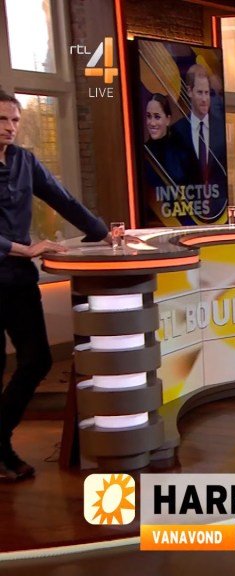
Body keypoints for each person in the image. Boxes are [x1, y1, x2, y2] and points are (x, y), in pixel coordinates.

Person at [0, 90, 112, 481]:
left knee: (36, 361)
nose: (10, 127)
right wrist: (26, 248)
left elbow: (64, 200)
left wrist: (104, 233)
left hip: (17, 281)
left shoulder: (24, 162)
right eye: (2, 120)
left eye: (15, 120)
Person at [170, 64, 227, 213]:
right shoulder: (177, 132)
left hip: (218, 211)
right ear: (189, 91)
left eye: (207, 93)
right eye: (200, 93)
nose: (204, 99)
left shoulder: (222, 129)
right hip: (187, 210)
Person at [142, 93, 198, 193]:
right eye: (149, 116)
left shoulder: (182, 147)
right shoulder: (144, 153)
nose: (152, 123)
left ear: (168, 119)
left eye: (157, 117)